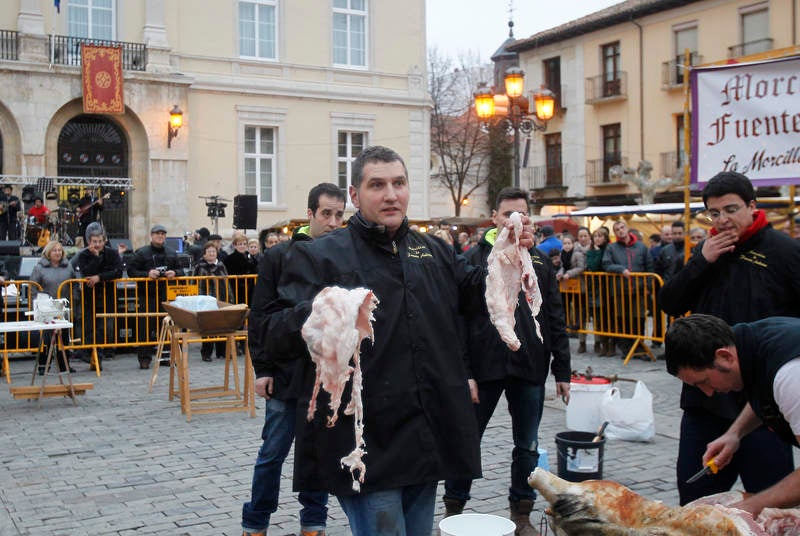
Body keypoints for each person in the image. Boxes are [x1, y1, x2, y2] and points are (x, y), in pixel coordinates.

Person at [262, 146, 536, 536]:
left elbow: (477, 296)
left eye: (399, 183)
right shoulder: (320, 255)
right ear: (355, 196)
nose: (391, 194)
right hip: (365, 435)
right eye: (377, 185)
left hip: (424, 431)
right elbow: (272, 332)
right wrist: (319, 313)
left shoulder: (434, 249)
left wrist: (507, 254)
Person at [659, 171, 800, 505]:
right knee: (695, 500)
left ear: (752, 206)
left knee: (769, 501)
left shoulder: (784, 251)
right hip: (705, 399)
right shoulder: (706, 251)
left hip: (765, 400)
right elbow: (670, 303)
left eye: (731, 209)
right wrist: (702, 262)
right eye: (714, 212)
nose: (723, 220)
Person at [442, 187, 571, 535]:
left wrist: (563, 369)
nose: (517, 219)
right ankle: (454, 507)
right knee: (468, 437)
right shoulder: (473, 257)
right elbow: (457, 319)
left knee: (527, 443)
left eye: (524, 213)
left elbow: (554, 316)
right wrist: (463, 371)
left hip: (529, 363)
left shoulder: (540, 260)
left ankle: (521, 512)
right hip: (484, 364)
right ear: (496, 217)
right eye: (510, 213)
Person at [243, 182, 346, 536]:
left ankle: (314, 522)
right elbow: (259, 317)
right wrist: (263, 370)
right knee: (273, 453)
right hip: (285, 373)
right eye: (326, 214)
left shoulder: (343, 257)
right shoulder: (278, 256)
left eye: (339, 215)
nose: (333, 222)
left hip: (324, 375)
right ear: (311, 214)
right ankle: (255, 522)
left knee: (317, 452)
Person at [664, 314, 800, 516]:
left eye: (704, 381)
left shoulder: (789, 376)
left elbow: (779, 386)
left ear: (725, 357)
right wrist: (734, 434)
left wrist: (752, 506)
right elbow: (765, 395)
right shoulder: (749, 346)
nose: (708, 393)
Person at [127, 224, 179, 369]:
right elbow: (131, 271)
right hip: (147, 295)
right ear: (152, 235)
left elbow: (181, 270)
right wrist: (147, 274)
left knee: (166, 326)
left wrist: (174, 273)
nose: (160, 236)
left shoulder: (171, 252)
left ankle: (167, 356)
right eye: (157, 234)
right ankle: (144, 358)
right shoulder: (141, 253)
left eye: (163, 234)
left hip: (166, 295)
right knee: (145, 327)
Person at [72, 223, 123, 371]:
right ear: (89, 242)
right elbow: (86, 272)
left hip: (107, 295)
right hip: (89, 296)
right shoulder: (83, 255)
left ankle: (99, 354)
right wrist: (95, 258)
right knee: (89, 326)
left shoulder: (112, 254)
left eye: (100, 241)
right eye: (95, 242)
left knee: (104, 327)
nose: (98, 244)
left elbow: (118, 271)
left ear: (104, 240)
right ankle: (90, 355)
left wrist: (100, 277)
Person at [602, 220, 653, 357]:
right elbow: (606, 264)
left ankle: (639, 347)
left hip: (638, 290)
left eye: (622, 227)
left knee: (638, 319)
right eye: (617, 229)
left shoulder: (641, 247)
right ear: (615, 233)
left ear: (627, 228)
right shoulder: (611, 248)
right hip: (620, 291)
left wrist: (648, 286)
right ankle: (626, 348)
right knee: (622, 319)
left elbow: (649, 267)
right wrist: (621, 269)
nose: (620, 230)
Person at [30, 240, 76, 374]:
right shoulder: (39, 268)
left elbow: (74, 284)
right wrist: (37, 303)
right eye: (54, 250)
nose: (58, 253)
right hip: (46, 308)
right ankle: (44, 366)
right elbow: (33, 287)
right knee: (47, 339)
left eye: (59, 250)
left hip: (63, 308)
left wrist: (74, 300)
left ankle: (64, 365)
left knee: (64, 338)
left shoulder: (68, 267)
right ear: (48, 252)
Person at [193, 241, 230, 361]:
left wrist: (229, 297)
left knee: (222, 325)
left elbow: (227, 282)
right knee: (207, 327)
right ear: (204, 254)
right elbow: (194, 283)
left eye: (214, 251)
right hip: (205, 299)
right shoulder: (200, 266)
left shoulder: (221, 265)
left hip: (221, 298)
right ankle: (206, 353)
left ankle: (222, 351)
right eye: (209, 252)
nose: (212, 254)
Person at [557, 233, 586, 353]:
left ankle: (580, 332)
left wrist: (570, 273)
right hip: (566, 286)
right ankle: (568, 327)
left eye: (569, 243)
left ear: (573, 244)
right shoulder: (562, 253)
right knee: (565, 308)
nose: (567, 246)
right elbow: (562, 266)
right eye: (565, 243)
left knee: (579, 309)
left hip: (578, 285)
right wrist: (560, 273)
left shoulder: (578, 253)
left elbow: (581, 267)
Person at [585, 227, 610, 355]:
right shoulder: (591, 252)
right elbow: (593, 266)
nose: (598, 238)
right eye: (595, 236)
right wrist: (596, 252)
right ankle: (601, 342)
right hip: (595, 288)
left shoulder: (609, 249)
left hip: (607, 287)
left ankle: (610, 344)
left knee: (608, 317)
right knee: (598, 317)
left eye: (600, 236)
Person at [223, 234, 258, 304]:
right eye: (240, 244)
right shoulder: (230, 259)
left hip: (251, 288)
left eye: (244, 244)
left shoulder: (250, 257)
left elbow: (256, 268)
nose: (242, 246)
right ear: (235, 246)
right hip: (237, 288)